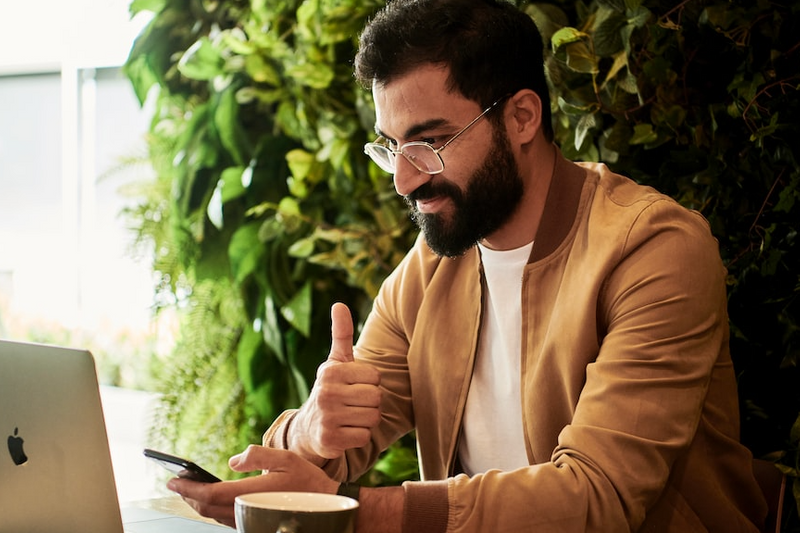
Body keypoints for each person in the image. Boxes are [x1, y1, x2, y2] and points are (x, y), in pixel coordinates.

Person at [167, 0, 769, 531]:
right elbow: (330, 450)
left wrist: (357, 514)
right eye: (392, 146)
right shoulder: (432, 267)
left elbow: (598, 497)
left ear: (522, 117)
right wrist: (314, 431)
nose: (405, 179)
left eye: (430, 143)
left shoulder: (652, 248)